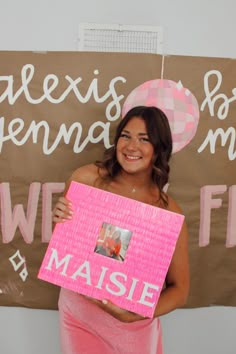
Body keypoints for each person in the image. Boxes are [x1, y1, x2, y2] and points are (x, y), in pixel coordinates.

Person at [52, 106, 189, 354]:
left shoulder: (169, 212)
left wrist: (136, 314)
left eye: (144, 139)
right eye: (125, 136)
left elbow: (180, 290)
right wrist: (60, 219)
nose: (131, 146)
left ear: (159, 149)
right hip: (81, 317)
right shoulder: (85, 179)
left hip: (135, 329)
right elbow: (69, 250)